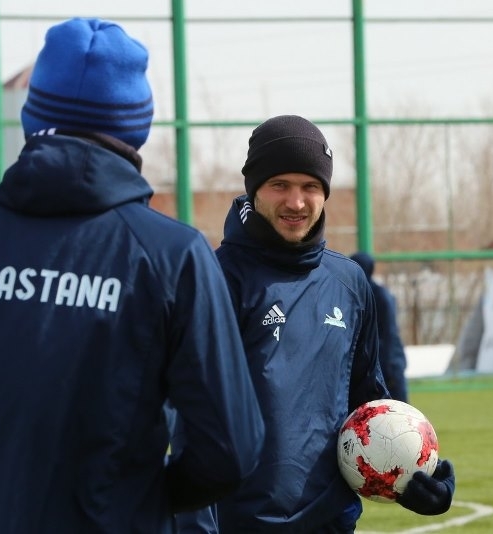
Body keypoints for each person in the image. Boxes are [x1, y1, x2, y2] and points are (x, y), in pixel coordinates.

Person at [0, 17, 265, 534]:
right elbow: (232, 450)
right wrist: (126, 500)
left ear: (32, 113)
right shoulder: (172, 255)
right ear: (137, 126)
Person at [177, 115, 455, 532]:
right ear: (254, 188)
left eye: (310, 186)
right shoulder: (215, 279)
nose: (296, 202)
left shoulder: (348, 283)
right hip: (239, 523)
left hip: (331, 523)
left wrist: (415, 480)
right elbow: (188, 419)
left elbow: (368, 404)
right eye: (280, 185)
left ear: (325, 192)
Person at [350, 251, 409, 403]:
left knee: (399, 410)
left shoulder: (380, 296)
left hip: (388, 364)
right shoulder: (358, 294)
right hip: (375, 364)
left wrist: (389, 368)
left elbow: (389, 334)